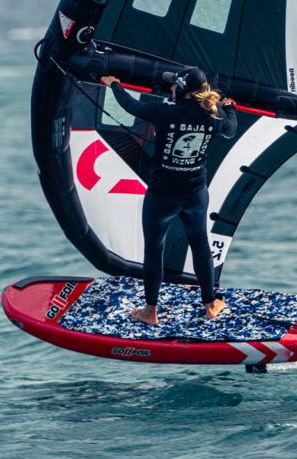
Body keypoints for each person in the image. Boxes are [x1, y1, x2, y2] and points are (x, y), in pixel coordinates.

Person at [99, 68, 238, 325]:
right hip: (195, 193)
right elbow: (230, 128)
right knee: (199, 244)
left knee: (154, 249)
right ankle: (210, 304)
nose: (171, 88)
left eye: (174, 85)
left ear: (181, 90)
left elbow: (131, 106)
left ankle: (150, 312)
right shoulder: (213, 115)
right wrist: (229, 106)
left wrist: (115, 85)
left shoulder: (165, 112)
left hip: (163, 195)